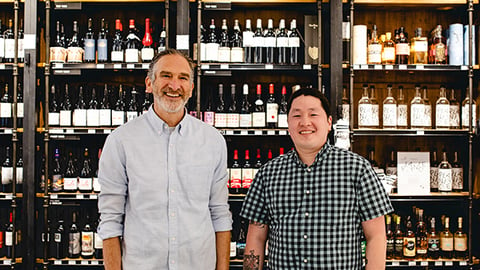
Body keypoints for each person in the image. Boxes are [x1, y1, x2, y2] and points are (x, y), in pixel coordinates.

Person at [97, 49, 232, 270]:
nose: (175, 85)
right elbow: (111, 220)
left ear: (191, 88)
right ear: (149, 83)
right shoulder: (121, 140)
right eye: (166, 76)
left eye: (183, 78)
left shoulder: (212, 141)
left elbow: (219, 213)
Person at [240, 88, 393, 270]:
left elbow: (376, 236)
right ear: (288, 123)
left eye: (313, 114)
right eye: (296, 116)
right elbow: (256, 236)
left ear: (329, 123)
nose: (305, 122)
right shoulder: (268, 173)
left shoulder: (357, 169)